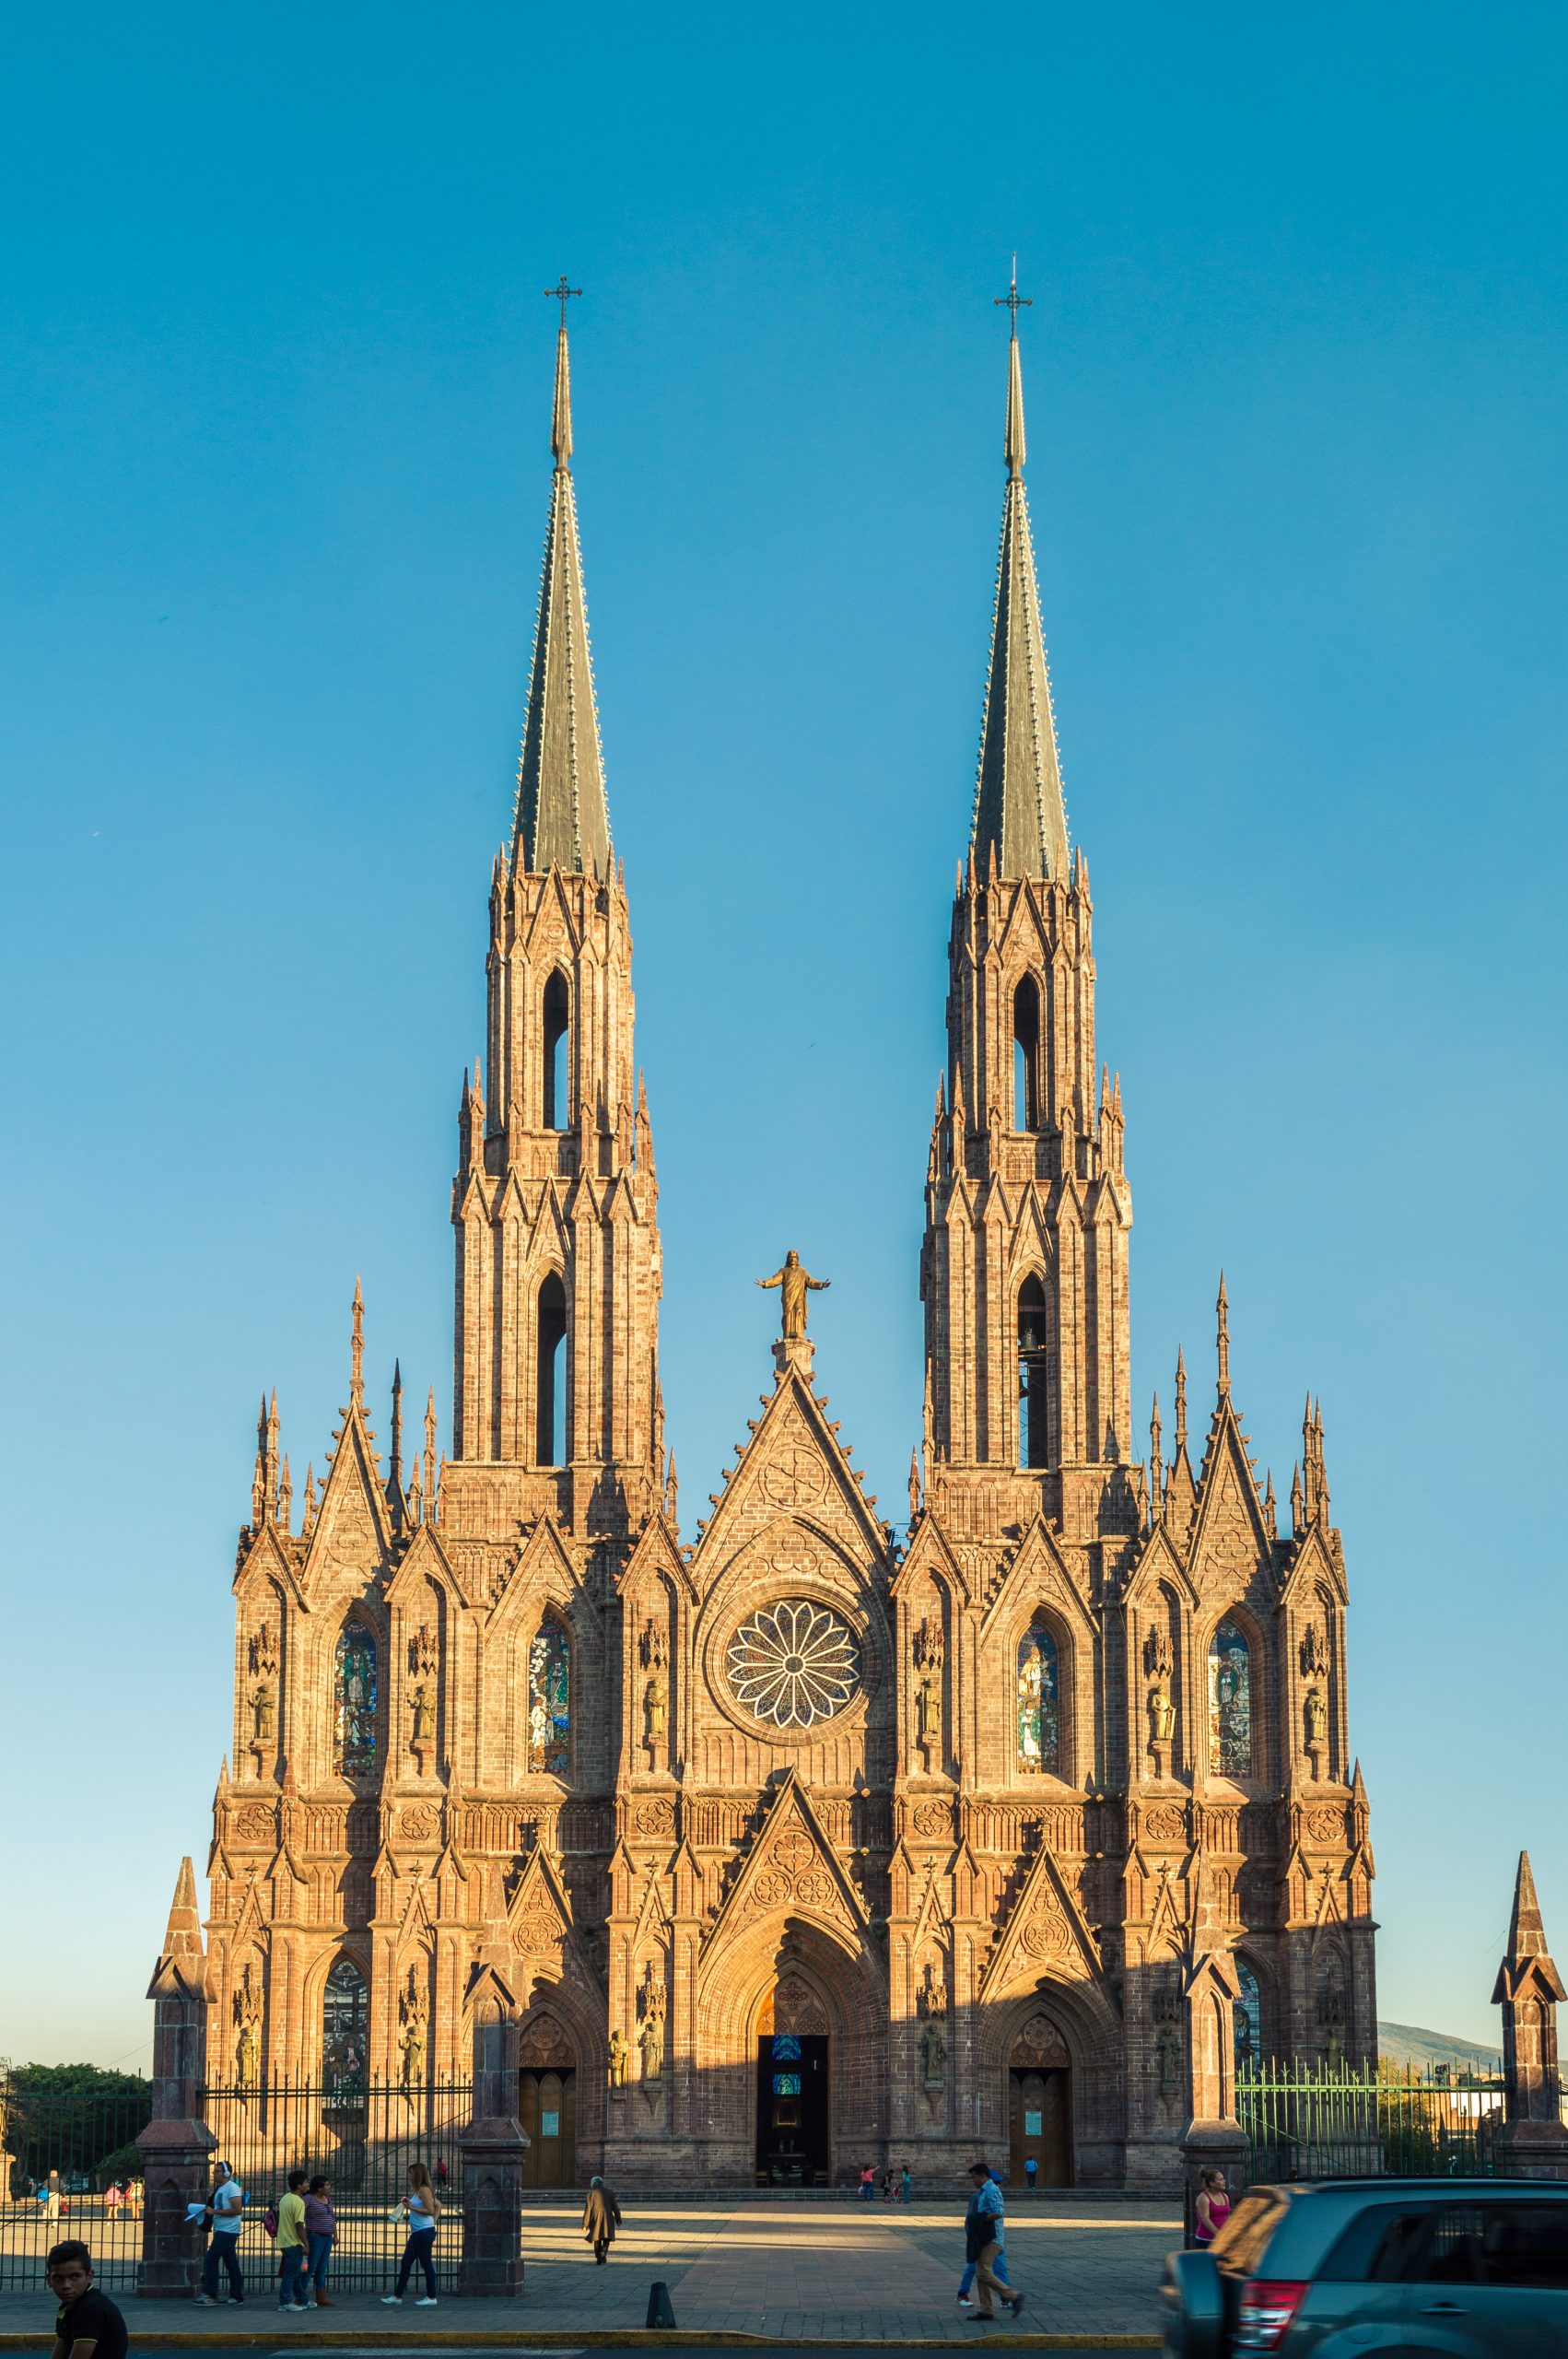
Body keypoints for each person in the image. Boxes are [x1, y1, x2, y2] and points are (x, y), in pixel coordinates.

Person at [965, 2161, 1024, 2323]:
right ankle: (986, 2310)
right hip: (985, 2238)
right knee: (981, 2274)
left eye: (975, 2178)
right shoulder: (984, 2191)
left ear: (983, 2176)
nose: (973, 2181)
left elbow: (998, 2212)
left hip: (993, 2239)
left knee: (983, 2272)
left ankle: (1013, 2296)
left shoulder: (991, 2190)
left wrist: (980, 2219)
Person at [47, 2240, 127, 2359]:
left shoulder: (90, 2309)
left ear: (89, 2277)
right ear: (49, 2281)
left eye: (75, 2277)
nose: (66, 2285)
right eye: (58, 2278)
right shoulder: (68, 2306)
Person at [381, 2164, 439, 2306]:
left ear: (418, 2174)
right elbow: (439, 2204)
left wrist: (411, 2207)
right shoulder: (419, 2190)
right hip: (419, 2232)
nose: (409, 2176)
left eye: (411, 2173)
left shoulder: (424, 2190)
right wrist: (433, 2223)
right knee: (406, 2263)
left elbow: (431, 2209)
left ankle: (431, 2297)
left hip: (423, 2233)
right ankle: (397, 2296)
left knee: (426, 2264)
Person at [194, 2162, 245, 2305]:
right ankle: (236, 2295)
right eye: (214, 2171)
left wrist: (215, 2211)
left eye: (217, 2171)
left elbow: (238, 2210)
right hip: (221, 2230)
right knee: (231, 2263)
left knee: (211, 2258)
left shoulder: (232, 2188)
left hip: (228, 2231)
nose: (214, 2173)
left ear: (227, 2173)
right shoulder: (219, 2188)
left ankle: (210, 2294)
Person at [275, 2172, 310, 2312]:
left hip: (284, 2241)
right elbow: (299, 2226)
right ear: (299, 2186)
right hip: (293, 2243)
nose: (307, 2185)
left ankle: (303, 2299)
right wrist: (306, 2244)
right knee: (290, 2275)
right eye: (305, 2183)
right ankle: (285, 2302)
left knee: (295, 2274)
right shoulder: (299, 2202)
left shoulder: (285, 2199)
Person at [302, 2177, 336, 2306]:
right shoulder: (308, 2199)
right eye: (327, 2185)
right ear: (319, 2188)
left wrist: (335, 2235)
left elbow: (332, 2217)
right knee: (310, 2267)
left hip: (327, 2237)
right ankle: (301, 2295)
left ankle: (321, 2296)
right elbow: (299, 2213)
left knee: (322, 2268)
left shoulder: (327, 2199)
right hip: (315, 2237)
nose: (329, 2187)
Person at [581, 2175, 621, 2264]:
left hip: (595, 2219)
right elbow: (615, 2207)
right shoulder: (610, 2192)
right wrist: (618, 2220)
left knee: (597, 2238)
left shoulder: (591, 2195)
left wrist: (585, 2224)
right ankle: (604, 2252)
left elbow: (588, 2210)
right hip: (608, 2218)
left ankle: (599, 2258)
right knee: (607, 2237)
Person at [1193, 2167, 1230, 2248]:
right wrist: (1217, 2232)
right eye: (1220, 2179)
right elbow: (1205, 2218)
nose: (1224, 2181)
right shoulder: (1203, 2198)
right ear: (1212, 2183)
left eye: (1223, 2179)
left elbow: (1227, 2216)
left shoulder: (1225, 2197)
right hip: (1206, 2239)